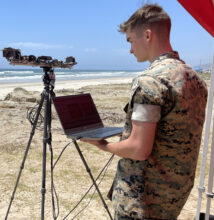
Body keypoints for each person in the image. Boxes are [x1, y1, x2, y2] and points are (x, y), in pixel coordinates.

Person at [81, 4, 208, 219]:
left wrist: (102, 144)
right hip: (174, 192)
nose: (130, 49)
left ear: (147, 35)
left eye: (131, 40)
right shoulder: (194, 79)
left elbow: (139, 149)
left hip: (143, 199)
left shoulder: (150, 81)